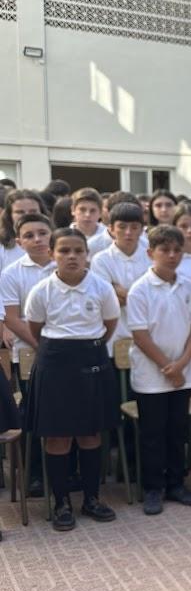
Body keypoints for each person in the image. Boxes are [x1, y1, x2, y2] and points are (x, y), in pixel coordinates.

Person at [23, 228, 121, 531]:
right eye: (64, 250)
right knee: (58, 436)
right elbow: (35, 328)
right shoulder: (42, 291)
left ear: (87, 254)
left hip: (91, 358)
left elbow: (110, 324)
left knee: (91, 434)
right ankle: (61, 501)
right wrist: (61, 350)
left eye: (78, 250)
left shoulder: (102, 288)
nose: (72, 256)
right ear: (52, 254)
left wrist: (86, 347)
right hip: (54, 362)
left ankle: (91, 498)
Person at [126, 225, 191, 515]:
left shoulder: (188, 287)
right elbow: (140, 335)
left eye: (177, 250)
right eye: (165, 250)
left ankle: (176, 483)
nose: (172, 256)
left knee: (177, 431)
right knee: (153, 433)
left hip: (182, 374)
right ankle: (153, 488)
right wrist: (166, 366)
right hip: (151, 376)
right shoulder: (140, 289)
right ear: (151, 253)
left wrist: (182, 364)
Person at [1, 212, 56, 497]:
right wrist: (42, 343)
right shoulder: (11, 273)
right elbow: (11, 318)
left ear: (52, 235)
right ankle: (34, 474)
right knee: (33, 415)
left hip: (63, 353)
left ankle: (68, 471)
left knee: (64, 413)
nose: (37, 239)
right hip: (29, 354)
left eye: (42, 233)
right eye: (29, 235)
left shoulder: (65, 265)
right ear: (20, 242)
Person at [90, 202, 153, 357]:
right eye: (122, 227)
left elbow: (156, 298)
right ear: (111, 228)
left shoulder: (151, 255)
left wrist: (120, 291)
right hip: (114, 336)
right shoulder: (101, 260)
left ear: (142, 229)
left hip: (150, 333)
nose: (128, 232)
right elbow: (106, 302)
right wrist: (141, 296)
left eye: (134, 227)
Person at [0, 188, 44, 271]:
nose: (27, 216)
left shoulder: (56, 240)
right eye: (20, 212)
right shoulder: (2, 246)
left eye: (33, 211)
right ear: (9, 215)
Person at [69, 187, 106, 255]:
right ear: (73, 210)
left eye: (93, 211)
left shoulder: (108, 238)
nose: (87, 215)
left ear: (100, 213)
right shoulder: (63, 237)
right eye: (82, 210)